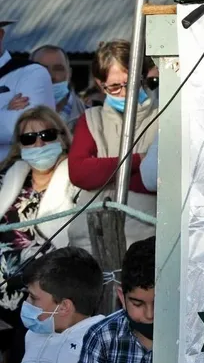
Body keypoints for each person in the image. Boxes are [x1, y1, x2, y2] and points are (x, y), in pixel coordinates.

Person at [0, 107, 80, 363]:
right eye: (29, 138)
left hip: (43, 298)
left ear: (62, 137)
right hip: (2, 293)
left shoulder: (76, 181)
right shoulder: (8, 178)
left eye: (46, 135)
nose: (38, 143)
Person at [67, 40, 156, 253]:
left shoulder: (164, 116)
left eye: (131, 83)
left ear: (143, 76)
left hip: (146, 241)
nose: (125, 92)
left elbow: (161, 178)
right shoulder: (90, 119)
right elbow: (79, 172)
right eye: (115, 87)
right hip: (92, 239)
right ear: (100, 84)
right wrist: (139, 161)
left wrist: (103, 175)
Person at [18, 246, 105, 363]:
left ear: (64, 306)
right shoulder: (34, 334)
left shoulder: (98, 346)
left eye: (33, 298)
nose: (27, 303)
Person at [75, 236, 155, 363]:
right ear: (122, 298)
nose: (150, 315)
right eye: (137, 304)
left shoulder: (194, 338)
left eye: (158, 304)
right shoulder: (102, 337)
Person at [0, 20, 55, 165]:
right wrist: (5, 112)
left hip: (15, 176)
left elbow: (26, 128)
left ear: (0, 34)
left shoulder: (31, 73)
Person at [31, 45, 86, 133]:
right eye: (42, 69)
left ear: (69, 73)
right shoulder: (14, 115)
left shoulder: (91, 118)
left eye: (58, 69)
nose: (50, 76)